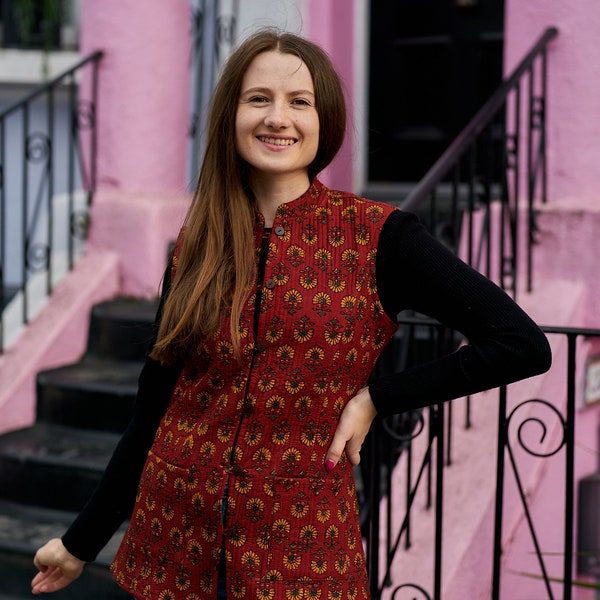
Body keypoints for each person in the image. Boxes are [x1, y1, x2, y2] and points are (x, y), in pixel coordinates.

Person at [31, 28, 551, 600]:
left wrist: (379, 398)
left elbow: (519, 343)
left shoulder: (381, 238)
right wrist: (81, 541)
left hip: (302, 553)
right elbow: (153, 409)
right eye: (259, 99)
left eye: (298, 102)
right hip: (172, 543)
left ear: (323, 119)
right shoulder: (196, 242)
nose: (278, 117)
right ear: (231, 114)